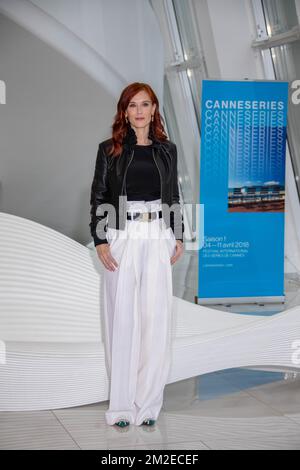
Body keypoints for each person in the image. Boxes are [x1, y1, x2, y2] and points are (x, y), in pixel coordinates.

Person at [89, 82, 184, 428]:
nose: (140, 111)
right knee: (122, 320)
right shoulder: (109, 150)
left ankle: (148, 406)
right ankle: (121, 407)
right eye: (133, 105)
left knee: (154, 320)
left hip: (157, 234)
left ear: (155, 109)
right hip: (121, 235)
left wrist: (179, 234)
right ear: (124, 112)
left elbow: (173, 193)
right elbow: (99, 195)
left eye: (145, 104)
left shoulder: (168, 151)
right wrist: (100, 240)